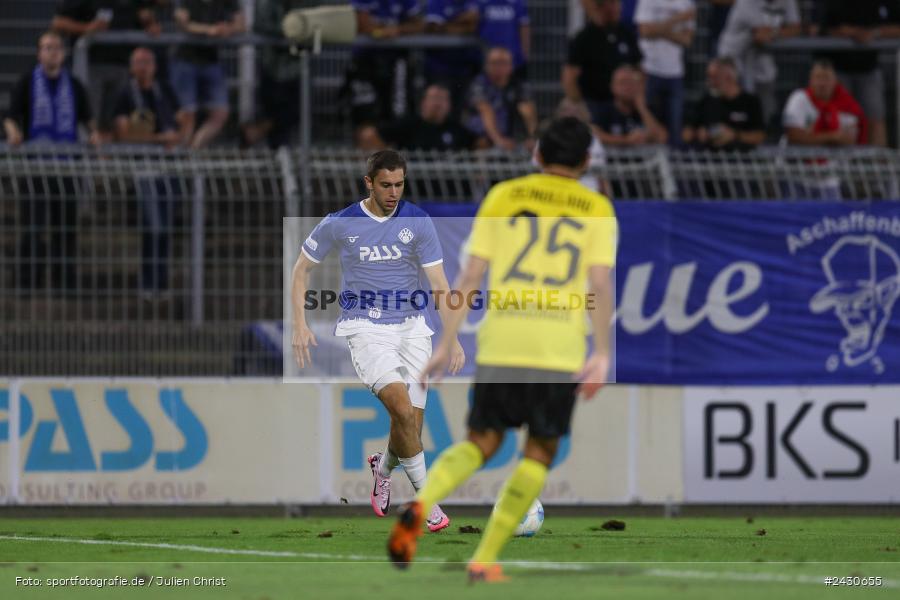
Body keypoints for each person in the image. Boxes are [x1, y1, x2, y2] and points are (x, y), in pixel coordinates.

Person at [387, 116, 617, 581]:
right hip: (557, 348)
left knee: (481, 442)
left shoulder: (504, 196)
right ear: (587, 161)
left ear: (536, 154)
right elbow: (598, 282)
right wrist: (602, 352)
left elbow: (470, 277)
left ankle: (420, 507)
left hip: (501, 342)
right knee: (540, 451)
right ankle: (484, 558)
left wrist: (447, 340)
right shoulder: (596, 207)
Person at [291, 150, 465, 533]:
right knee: (401, 411)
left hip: (414, 329)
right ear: (368, 182)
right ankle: (428, 504)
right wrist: (300, 324)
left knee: (411, 428)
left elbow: (439, 285)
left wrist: (450, 337)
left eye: (399, 184)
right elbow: (301, 269)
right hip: (365, 328)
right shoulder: (340, 223)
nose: (393, 192)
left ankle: (383, 469)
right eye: (386, 185)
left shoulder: (418, 221)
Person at [4, 32, 98, 293]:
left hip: (66, 167)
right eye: (46, 48)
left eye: (56, 48)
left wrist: (94, 135)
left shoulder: (75, 85)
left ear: (63, 53)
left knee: (65, 228)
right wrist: (13, 133)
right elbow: (11, 116)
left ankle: (63, 282)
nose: (52, 52)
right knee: (32, 227)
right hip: (36, 168)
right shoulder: (26, 82)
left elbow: (89, 120)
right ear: (39, 53)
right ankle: (27, 283)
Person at [112, 48, 189, 294]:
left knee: (165, 227)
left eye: (147, 62)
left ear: (155, 65)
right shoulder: (125, 93)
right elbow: (125, 133)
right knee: (153, 226)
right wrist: (159, 138)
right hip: (144, 169)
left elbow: (184, 120)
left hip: (168, 168)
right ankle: (149, 282)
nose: (143, 66)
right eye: (138, 62)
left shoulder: (164, 90)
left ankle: (161, 282)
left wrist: (177, 137)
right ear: (131, 67)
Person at [51, 0, 162, 138]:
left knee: (115, 121)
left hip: (123, 67)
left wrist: (150, 25)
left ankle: (108, 158)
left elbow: (148, 16)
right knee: (90, 119)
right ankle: (88, 157)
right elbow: (58, 22)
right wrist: (87, 28)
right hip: (91, 66)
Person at [820, 0, 900, 147]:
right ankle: (840, 165)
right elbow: (820, 29)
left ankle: (876, 165)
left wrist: (875, 32)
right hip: (837, 69)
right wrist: (853, 33)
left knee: (875, 117)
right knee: (839, 120)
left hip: (869, 69)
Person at [241, 0, 319, 149]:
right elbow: (260, 25)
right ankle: (277, 157)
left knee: (296, 112)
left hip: (297, 66)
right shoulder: (266, 3)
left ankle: (259, 133)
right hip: (273, 67)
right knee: (276, 115)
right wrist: (290, 31)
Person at [172, 0, 246, 149]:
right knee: (187, 114)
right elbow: (183, 23)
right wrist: (208, 30)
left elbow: (241, 25)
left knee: (220, 113)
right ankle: (181, 156)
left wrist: (227, 29)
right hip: (186, 60)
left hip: (211, 61)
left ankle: (193, 152)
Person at [717, 0, 801, 126]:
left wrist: (775, 32)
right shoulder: (746, 2)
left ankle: (760, 135)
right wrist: (780, 32)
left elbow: (796, 28)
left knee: (764, 104)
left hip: (759, 57)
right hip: (733, 58)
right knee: (734, 109)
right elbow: (761, 34)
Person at [345, 1, 424, 129]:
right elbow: (362, 24)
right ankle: (365, 149)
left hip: (396, 61)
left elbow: (419, 25)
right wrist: (382, 32)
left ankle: (393, 149)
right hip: (365, 61)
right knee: (365, 113)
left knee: (398, 114)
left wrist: (398, 29)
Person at [563, 0, 642, 114]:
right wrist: (579, 105)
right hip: (594, 105)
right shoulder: (584, 38)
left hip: (626, 106)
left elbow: (639, 68)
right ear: (602, 6)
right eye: (614, 4)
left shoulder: (626, 34)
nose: (619, 8)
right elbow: (570, 76)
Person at [634, 0, 695, 146]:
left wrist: (658, 30)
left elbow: (687, 40)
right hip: (649, 69)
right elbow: (644, 31)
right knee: (647, 127)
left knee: (675, 130)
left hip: (675, 73)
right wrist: (678, 19)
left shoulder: (686, 4)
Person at [682, 57, 765, 151]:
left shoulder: (750, 102)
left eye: (714, 77)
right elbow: (686, 134)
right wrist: (698, 134)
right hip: (710, 160)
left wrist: (734, 135)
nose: (709, 82)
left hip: (741, 160)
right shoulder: (706, 101)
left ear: (729, 77)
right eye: (709, 77)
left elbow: (759, 136)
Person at [782, 59, 867, 147]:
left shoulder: (847, 104)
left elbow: (849, 139)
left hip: (836, 160)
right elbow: (794, 136)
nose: (822, 83)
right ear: (810, 80)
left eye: (826, 78)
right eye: (818, 77)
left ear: (835, 81)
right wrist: (832, 137)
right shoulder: (799, 98)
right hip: (797, 160)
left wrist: (811, 137)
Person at [465, 47, 538, 150]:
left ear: (511, 66)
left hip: (511, 133)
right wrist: (498, 140)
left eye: (503, 63)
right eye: (494, 63)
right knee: (482, 142)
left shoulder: (519, 85)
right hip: (482, 134)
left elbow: (528, 111)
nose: (499, 67)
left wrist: (533, 137)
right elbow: (486, 110)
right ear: (486, 65)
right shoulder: (479, 84)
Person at [372, 83, 476, 151]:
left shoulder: (457, 130)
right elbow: (372, 135)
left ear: (449, 105)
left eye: (442, 99)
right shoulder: (408, 125)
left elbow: (478, 144)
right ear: (423, 102)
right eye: (434, 98)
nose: (437, 103)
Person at [591, 64, 667, 146]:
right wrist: (626, 140)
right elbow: (594, 134)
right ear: (612, 86)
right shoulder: (603, 110)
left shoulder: (648, 110)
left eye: (632, 83)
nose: (627, 87)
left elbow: (662, 137)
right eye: (622, 82)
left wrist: (642, 108)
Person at [423, 0, 481, 108]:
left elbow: (472, 26)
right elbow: (434, 29)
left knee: (462, 110)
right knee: (440, 110)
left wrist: (447, 24)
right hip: (439, 66)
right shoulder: (436, 2)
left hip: (466, 67)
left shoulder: (471, 2)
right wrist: (462, 22)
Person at [474, 0, 530, 81]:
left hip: (512, 52)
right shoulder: (482, 2)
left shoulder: (517, 3)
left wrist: (525, 51)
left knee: (513, 83)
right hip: (487, 52)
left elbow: (524, 27)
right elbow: (475, 23)